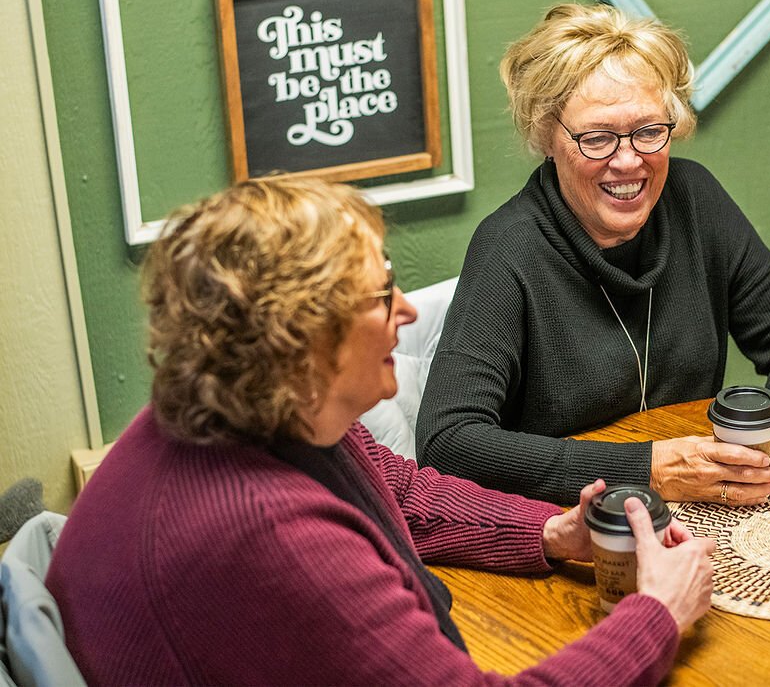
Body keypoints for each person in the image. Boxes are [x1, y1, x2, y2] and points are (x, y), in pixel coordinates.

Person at [45, 177, 715, 685]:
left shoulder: (241, 410)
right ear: (302, 340)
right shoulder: (269, 533)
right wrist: (656, 613)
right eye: (379, 296)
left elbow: (397, 488)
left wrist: (549, 531)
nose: (405, 309)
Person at [417, 3, 770, 508]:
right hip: (575, 524)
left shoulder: (694, 199)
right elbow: (446, 442)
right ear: (547, 138)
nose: (628, 161)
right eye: (597, 138)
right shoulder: (507, 248)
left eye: (647, 131)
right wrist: (647, 470)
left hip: (700, 510)